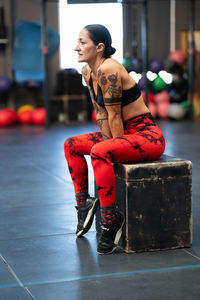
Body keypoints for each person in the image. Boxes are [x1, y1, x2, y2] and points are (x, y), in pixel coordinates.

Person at [64, 24, 165, 255]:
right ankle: (84, 205)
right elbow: (101, 112)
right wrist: (110, 142)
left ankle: (110, 219)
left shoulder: (109, 69)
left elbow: (115, 115)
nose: (76, 47)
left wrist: (113, 148)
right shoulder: (88, 72)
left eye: (82, 42)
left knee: (101, 151)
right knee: (71, 145)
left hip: (146, 135)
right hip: (120, 131)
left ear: (99, 47)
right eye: (77, 42)